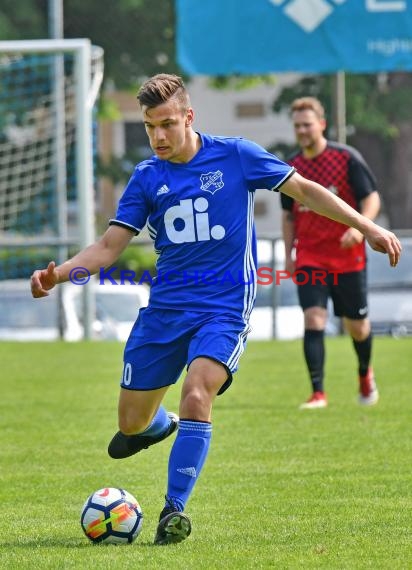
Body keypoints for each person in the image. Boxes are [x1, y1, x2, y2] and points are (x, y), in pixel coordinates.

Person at [31, 75, 401, 545]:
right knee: (131, 422)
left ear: (189, 117)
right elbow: (107, 249)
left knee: (197, 390)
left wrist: (366, 226)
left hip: (223, 309)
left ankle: (174, 510)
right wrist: (58, 275)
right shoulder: (147, 177)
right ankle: (156, 426)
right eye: (149, 127)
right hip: (165, 311)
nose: (159, 136)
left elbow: (305, 191)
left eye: (167, 124)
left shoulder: (236, 155)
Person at [281, 96, 383, 410]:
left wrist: (361, 227)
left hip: (347, 256)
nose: (302, 130)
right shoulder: (292, 167)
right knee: (314, 319)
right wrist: (289, 253)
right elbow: (288, 215)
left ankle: (365, 374)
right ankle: (318, 393)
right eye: (297, 125)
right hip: (311, 255)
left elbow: (372, 198)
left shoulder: (346, 157)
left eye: (307, 124)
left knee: (357, 326)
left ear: (322, 124)